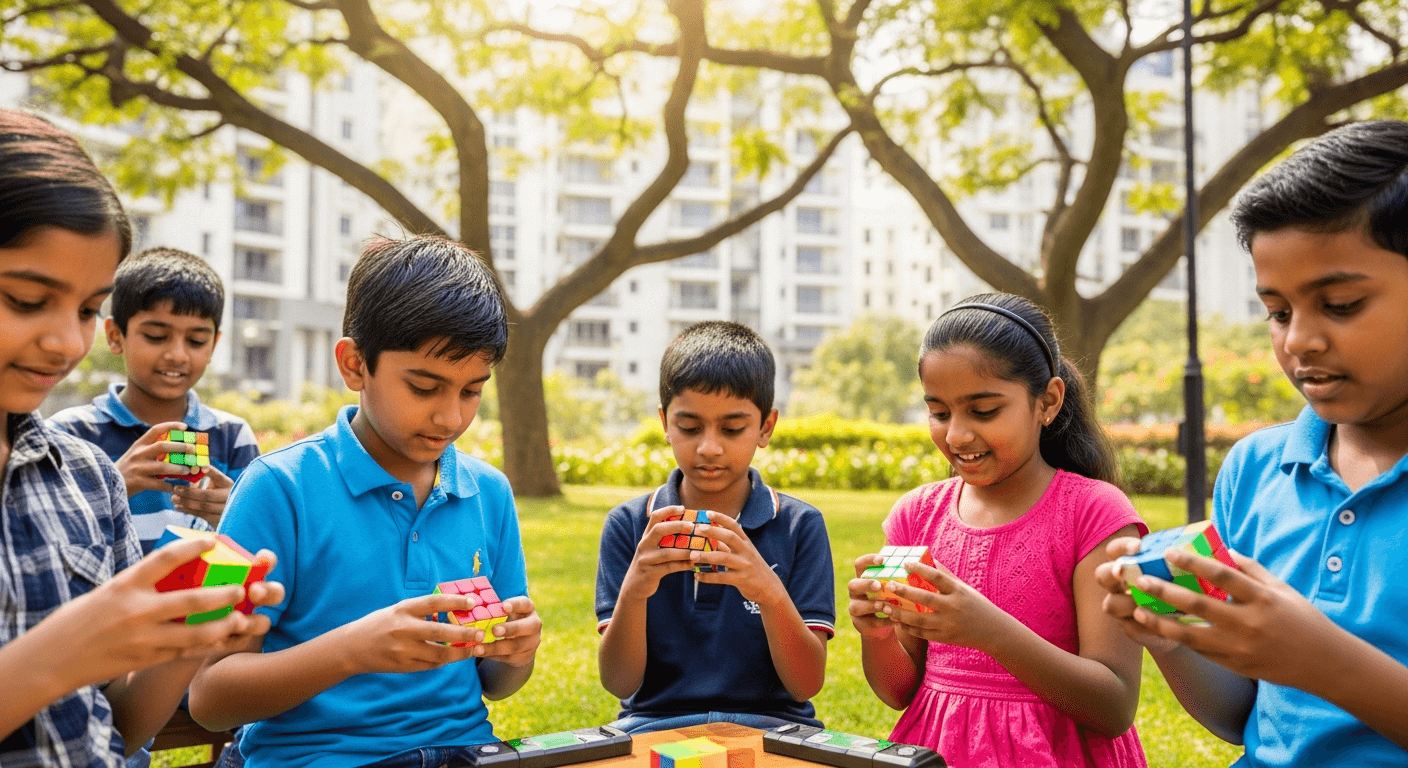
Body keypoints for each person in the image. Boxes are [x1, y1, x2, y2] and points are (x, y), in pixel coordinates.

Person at [1095, 120, 1408, 766]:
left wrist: (1323, 661)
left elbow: (1312, 665)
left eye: (1340, 304)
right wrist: (1170, 631)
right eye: (1278, 311)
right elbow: (1237, 715)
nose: (1298, 341)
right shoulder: (1256, 468)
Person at [191, 235, 542, 768]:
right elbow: (209, 697)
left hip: (466, 752)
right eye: (424, 387)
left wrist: (517, 653)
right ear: (355, 364)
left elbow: (496, 683)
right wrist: (353, 650)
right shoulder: (274, 487)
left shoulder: (488, 492)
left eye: (471, 390)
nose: (451, 417)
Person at [0, 109, 281, 767]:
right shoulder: (97, 450)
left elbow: (120, 726)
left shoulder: (84, 476)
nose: (65, 343)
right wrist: (81, 640)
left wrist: (189, 634)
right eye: (26, 300)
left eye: (84, 308)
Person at [850, 293, 1147, 767]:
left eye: (984, 411)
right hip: (939, 753)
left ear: (1047, 401)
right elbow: (898, 691)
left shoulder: (1093, 513)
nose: (956, 435)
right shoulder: (915, 516)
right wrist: (878, 635)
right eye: (939, 413)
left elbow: (1113, 706)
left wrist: (989, 631)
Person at [595, 321, 835, 733]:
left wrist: (768, 592)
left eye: (732, 428)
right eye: (689, 428)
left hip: (773, 729)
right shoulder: (630, 525)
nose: (709, 447)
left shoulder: (800, 525)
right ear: (665, 423)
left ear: (766, 427)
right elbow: (619, 682)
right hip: (655, 726)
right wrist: (635, 591)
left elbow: (806, 684)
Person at [50, 246, 259, 552]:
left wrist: (237, 518)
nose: (177, 355)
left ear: (214, 345)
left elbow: (254, 552)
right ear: (115, 336)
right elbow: (42, 543)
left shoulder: (231, 437)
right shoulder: (69, 434)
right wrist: (113, 486)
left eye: (196, 340)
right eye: (156, 336)